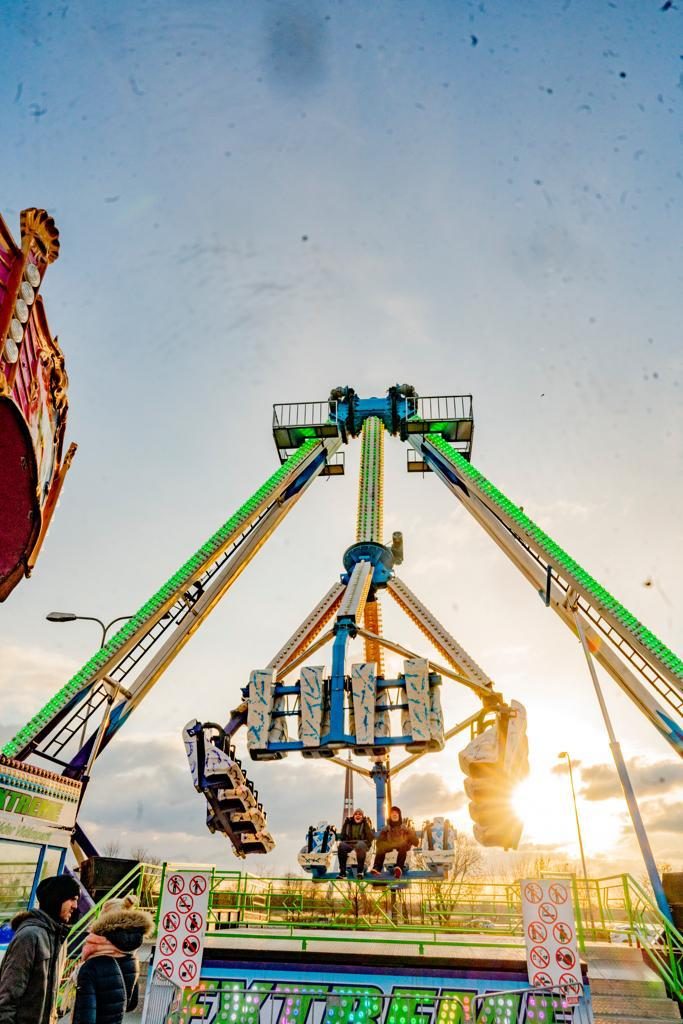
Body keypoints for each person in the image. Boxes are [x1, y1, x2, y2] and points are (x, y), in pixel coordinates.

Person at [0, 872, 80, 1024]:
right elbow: (7, 996)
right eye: (72, 899)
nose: (75, 906)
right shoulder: (30, 936)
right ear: (57, 899)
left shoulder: (55, 937)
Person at [71, 893, 154, 1024]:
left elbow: (85, 1016)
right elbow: (131, 1004)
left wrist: (80, 978)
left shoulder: (92, 964)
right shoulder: (132, 958)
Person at [370, 805, 418, 879]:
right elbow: (378, 843)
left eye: (396, 813)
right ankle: (377, 868)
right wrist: (383, 841)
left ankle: (399, 868)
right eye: (392, 813)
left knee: (403, 845)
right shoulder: (386, 829)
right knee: (381, 847)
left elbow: (416, 842)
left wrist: (410, 833)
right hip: (390, 845)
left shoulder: (404, 828)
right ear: (390, 816)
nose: (394, 814)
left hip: (401, 846)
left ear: (399, 815)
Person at [337, 807, 374, 878]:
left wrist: (368, 844)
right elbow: (342, 835)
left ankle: (360, 871)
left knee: (360, 845)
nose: (358, 815)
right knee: (341, 846)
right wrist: (343, 840)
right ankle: (342, 873)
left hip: (361, 843)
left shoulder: (365, 824)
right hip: (350, 843)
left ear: (362, 817)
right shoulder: (348, 823)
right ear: (353, 816)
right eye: (356, 814)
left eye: (360, 814)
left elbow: (370, 836)